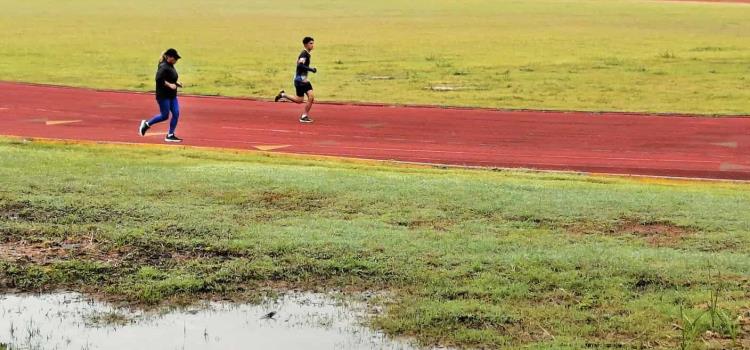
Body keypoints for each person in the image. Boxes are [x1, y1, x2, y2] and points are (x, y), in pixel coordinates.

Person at [139, 48, 184, 142]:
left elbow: (169, 77)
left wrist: (176, 83)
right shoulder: (164, 66)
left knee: (176, 113)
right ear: (170, 57)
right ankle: (147, 124)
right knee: (165, 116)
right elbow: (158, 79)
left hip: (172, 95)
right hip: (163, 96)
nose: (176, 60)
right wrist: (169, 85)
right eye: (175, 58)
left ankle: (170, 135)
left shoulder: (170, 64)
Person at [275, 37, 317, 123]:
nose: (312, 45)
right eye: (310, 43)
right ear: (305, 45)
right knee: (311, 97)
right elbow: (300, 65)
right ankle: (304, 116)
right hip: (301, 81)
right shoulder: (304, 54)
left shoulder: (307, 54)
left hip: (300, 80)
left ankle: (283, 95)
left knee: (299, 100)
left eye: (313, 43)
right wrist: (311, 69)